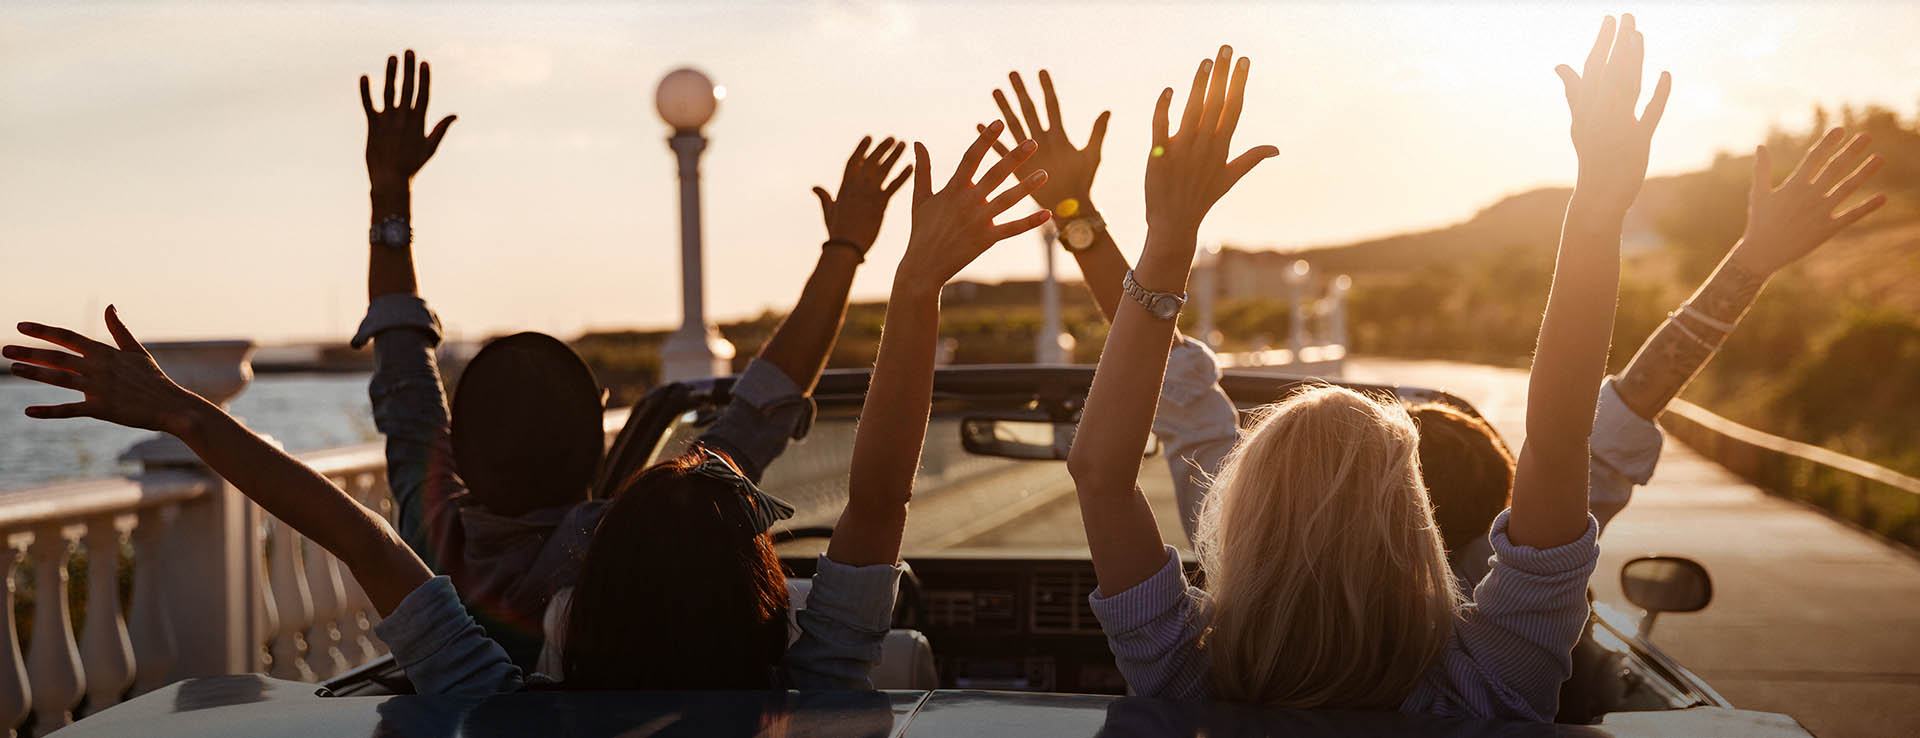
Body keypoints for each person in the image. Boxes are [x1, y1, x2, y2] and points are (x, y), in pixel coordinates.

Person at [2, 120, 1049, 695]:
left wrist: (187, 413)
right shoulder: (811, 684)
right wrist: (898, 279)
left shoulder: (484, 664)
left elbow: (346, 516)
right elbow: (860, 483)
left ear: (571, 620)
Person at [1065, 18, 1668, 721]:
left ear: (1242, 520)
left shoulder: (1186, 674)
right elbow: (1558, 440)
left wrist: (1167, 239)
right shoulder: (1492, 681)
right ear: (1413, 517)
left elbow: (1100, 472)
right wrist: (1596, 208)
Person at [350, 51, 912, 667]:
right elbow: (762, 406)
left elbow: (405, 380)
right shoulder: (643, 538)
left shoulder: (435, 543)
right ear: (598, 433)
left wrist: (389, 196)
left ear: (457, 452)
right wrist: (845, 248)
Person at [977, 68, 1239, 544]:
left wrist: (1078, 210)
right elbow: (1180, 390)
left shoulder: (1208, 592)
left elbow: (1178, 387)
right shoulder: (1233, 556)